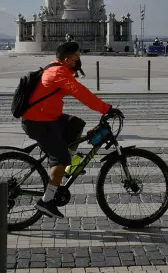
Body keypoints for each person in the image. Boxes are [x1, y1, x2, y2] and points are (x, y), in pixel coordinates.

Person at [21, 41, 122, 219]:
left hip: (48, 117)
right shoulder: (58, 73)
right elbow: (81, 93)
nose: (79, 60)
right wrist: (107, 109)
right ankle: (46, 200)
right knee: (61, 157)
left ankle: (65, 167)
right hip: (38, 122)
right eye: (77, 58)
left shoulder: (58, 69)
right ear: (67, 60)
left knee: (75, 123)